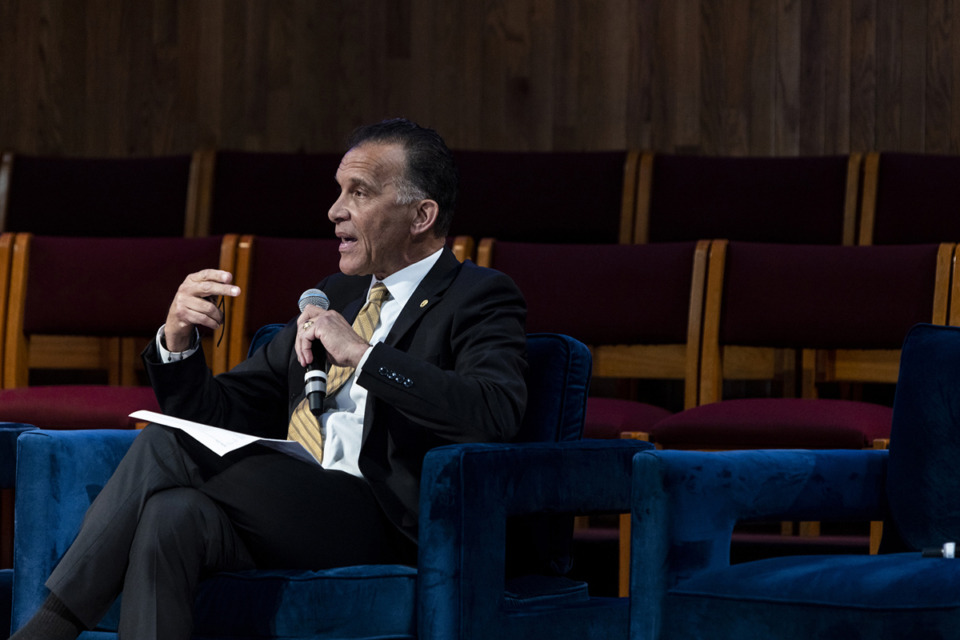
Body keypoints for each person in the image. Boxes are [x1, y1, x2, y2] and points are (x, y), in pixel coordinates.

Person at [11, 118, 528, 640]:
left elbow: (493, 411)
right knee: (172, 516)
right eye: (339, 191)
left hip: (383, 519)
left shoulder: (478, 295)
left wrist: (363, 355)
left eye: (360, 192)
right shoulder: (336, 295)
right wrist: (179, 342)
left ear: (422, 215)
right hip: (293, 505)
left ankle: (46, 630)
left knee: (166, 443)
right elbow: (214, 413)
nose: (335, 211)